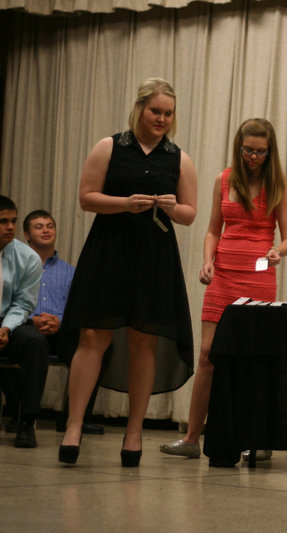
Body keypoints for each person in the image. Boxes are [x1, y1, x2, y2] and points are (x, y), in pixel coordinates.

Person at [58, 77, 197, 467]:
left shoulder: (179, 157)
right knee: (92, 334)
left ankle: (134, 433)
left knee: (143, 340)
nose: (162, 119)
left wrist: (171, 208)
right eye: (156, 111)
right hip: (109, 251)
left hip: (155, 257)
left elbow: (190, 214)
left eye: (168, 113)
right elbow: (87, 198)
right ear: (139, 108)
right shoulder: (110, 146)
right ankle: (73, 426)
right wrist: (124, 203)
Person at [160, 118, 287, 462]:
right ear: (239, 146)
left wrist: (280, 250)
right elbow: (212, 230)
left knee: (252, 358)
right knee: (207, 356)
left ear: (270, 152)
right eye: (248, 149)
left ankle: (257, 438)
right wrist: (207, 261)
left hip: (259, 276)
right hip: (223, 277)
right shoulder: (224, 180)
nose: (253, 156)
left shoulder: (279, 186)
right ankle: (192, 438)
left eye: (260, 151)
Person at [22, 209, 103, 435]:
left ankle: (74, 418)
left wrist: (60, 321)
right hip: (29, 328)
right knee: (31, 343)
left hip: (62, 330)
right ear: (27, 235)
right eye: (39, 226)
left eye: (50, 226)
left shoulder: (71, 272)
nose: (46, 230)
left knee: (99, 346)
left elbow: (79, 309)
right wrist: (33, 320)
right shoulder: (19, 268)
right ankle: (23, 416)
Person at [0, 195, 49, 448]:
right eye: (3, 221)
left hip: (9, 321)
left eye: (13, 221)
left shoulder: (27, 257)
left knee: (35, 342)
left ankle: (27, 422)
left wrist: (5, 328)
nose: (10, 227)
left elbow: (23, 303)